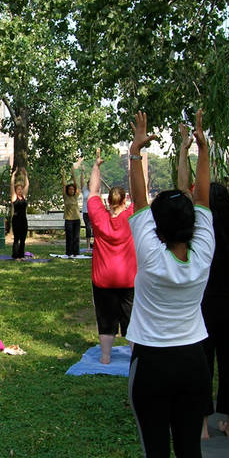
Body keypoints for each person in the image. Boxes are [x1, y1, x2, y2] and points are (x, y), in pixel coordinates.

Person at [126, 110, 214, 458]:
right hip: (194, 362)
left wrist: (135, 153)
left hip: (153, 363)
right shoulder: (203, 252)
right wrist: (201, 147)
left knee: (156, 452)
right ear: (193, 225)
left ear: (158, 227)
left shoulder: (149, 252)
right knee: (190, 448)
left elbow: (140, 200)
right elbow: (203, 198)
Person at [178, 122, 229, 439]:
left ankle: (203, 426)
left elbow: (184, 189)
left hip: (204, 304)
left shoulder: (200, 231)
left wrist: (184, 148)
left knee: (202, 362)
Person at [87, 148, 136, 364]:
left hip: (103, 279)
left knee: (105, 318)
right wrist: (135, 159)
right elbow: (139, 191)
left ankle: (105, 357)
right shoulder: (131, 216)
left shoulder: (98, 217)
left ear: (108, 202)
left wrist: (96, 166)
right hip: (128, 278)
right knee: (131, 318)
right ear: (124, 201)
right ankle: (135, 357)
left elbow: (93, 190)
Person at [62, 158, 83, 256]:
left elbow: (76, 185)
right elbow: (64, 185)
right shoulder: (66, 197)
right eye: (69, 189)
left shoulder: (75, 196)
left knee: (76, 237)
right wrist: (63, 175)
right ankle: (69, 252)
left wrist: (73, 173)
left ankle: (76, 252)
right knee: (69, 236)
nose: (71, 190)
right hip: (68, 219)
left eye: (72, 189)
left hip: (76, 219)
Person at [10, 166, 30, 259]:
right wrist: (13, 176)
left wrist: (25, 175)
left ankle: (21, 255)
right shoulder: (14, 197)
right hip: (16, 219)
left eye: (21, 189)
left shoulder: (24, 197)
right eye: (18, 189)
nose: (20, 190)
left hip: (23, 219)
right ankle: (15, 255)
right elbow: (11, 186)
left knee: (23, 239)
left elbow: (27, 185)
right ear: (16, 190)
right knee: (16, 238)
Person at [80, 168, 92, 249]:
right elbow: (81, 182)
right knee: (88, 228)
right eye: (88, 184)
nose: (89, 186)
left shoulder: (96, 191)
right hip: (85, 212)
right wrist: (82, 172)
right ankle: (88, 245)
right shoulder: (85, 190)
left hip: (94, 212)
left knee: (95, 229)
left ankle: (96, 244)